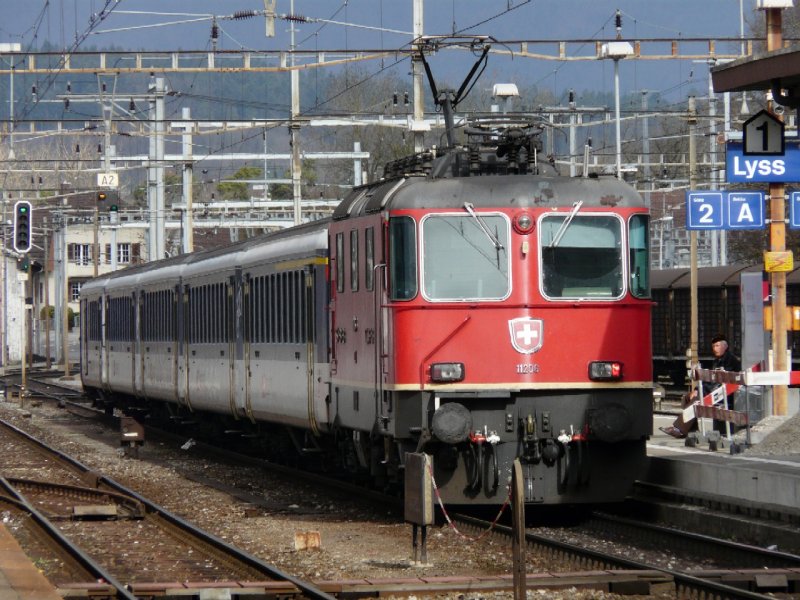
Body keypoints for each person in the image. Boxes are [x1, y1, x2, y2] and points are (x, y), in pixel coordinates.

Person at [659, 333, 741, 439]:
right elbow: (710, 379)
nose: (715, 349)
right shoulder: (718, 360)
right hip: (715, 391)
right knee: (687, 398)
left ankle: (678, 429)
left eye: (717, 346)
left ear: (725, 346)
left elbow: (720, 382)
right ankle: (690, 430)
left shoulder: (730, 360)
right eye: (714, 346)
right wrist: (697, 389)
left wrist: (702, 392)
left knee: (696, 401)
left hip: (723, 394)